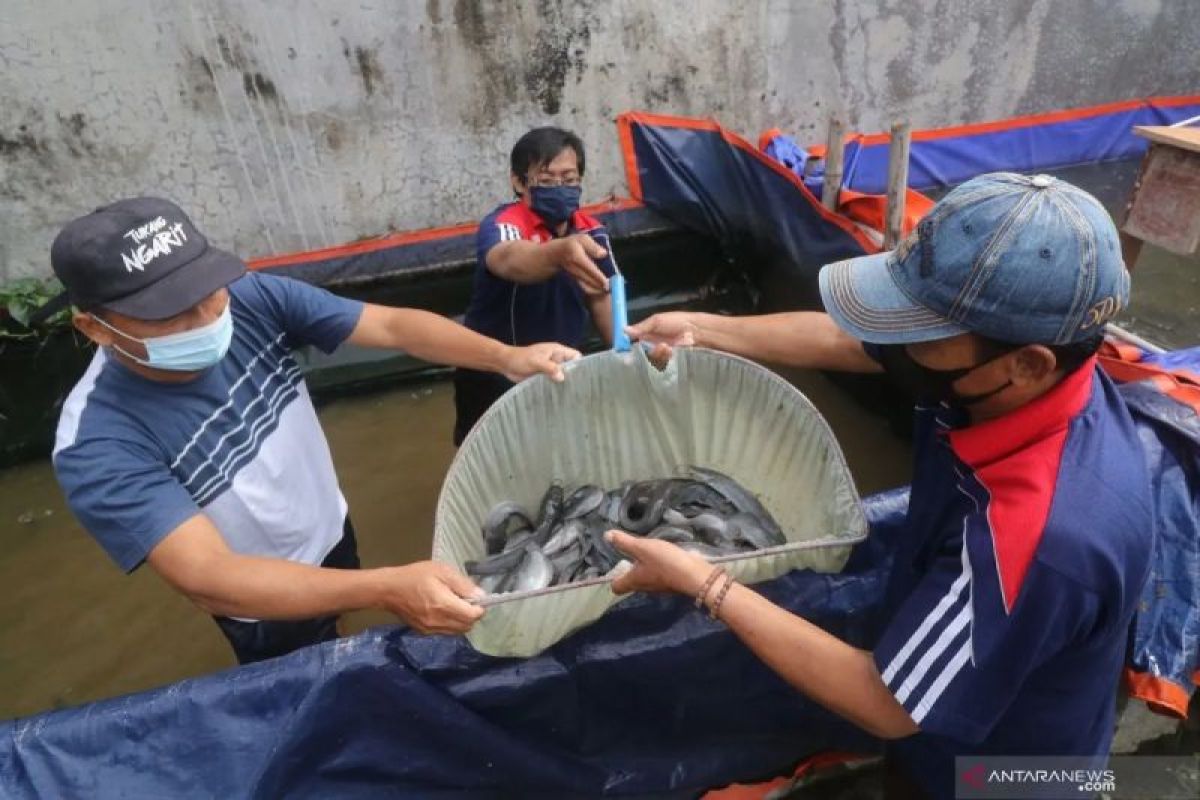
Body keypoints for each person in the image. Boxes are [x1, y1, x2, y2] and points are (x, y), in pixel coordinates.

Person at [607, 173, 1152, 798]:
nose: (900, 341)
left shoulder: (1039, 538)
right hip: (968, 721)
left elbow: (886, 703)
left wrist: (701, 580)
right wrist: (705, 331)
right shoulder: (1019, 381)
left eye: (921, 331)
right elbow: (858, 341)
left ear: (1027, 363)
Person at [43, 197, 580, 665]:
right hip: (258, 595)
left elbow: (391, 325)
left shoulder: (249, 298)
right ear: (95, 327)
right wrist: (387, 588)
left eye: (206, 290)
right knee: (301, 675)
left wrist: (507, 356)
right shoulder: (98, 443)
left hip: (329, 525)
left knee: (346, 613)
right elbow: (208, 576)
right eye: (169, 312)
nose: (206, 318)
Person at [454, 126, 616, 445]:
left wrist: (627, 355)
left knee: (559, 447)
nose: (560, 188)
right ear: (518, 182)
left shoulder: (592, 233)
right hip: (493, 368)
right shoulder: (506, 224)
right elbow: (507, 259)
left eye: (569, 180)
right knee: (484, 453)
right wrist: (556, 253)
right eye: (546, 180)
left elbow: (602, 297)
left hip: (561, 365)